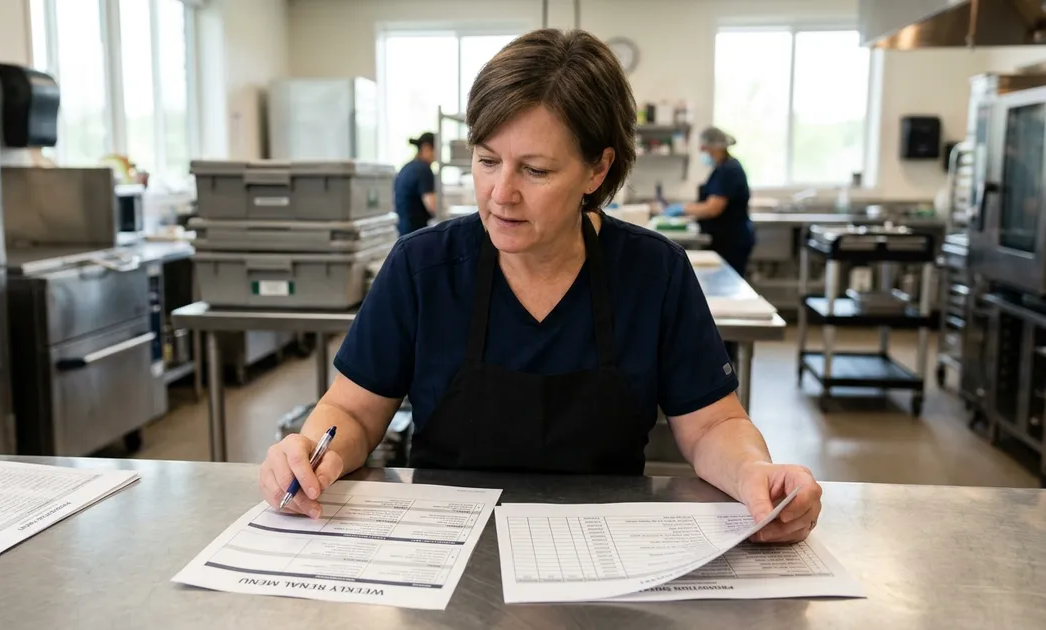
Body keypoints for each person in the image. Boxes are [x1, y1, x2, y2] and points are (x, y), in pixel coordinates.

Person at [260, 29, 821, 545]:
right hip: (442, 551)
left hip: (606, 554)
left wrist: (754, 474)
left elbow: (712, 424)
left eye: (535, 170)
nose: (501, 193)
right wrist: (312, 451)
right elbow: (354, 412)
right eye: (486, 160)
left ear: (597, 171)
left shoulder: (655, 274)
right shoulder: (422, 267)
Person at [664, 127, 755, 278]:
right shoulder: (721, 168)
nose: (702, 151)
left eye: (704, 147)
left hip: (732, 239)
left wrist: (683, 208)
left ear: (715, 147)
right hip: (725, 237)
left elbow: (713, 208)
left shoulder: (729, 170)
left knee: (729, 283)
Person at [393, 132, 438, 235]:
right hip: (415, 231)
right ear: (426, 148)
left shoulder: (406, 167)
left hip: (403, 231)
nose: (437, 155)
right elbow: (432, 206)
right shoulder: (424, 170)